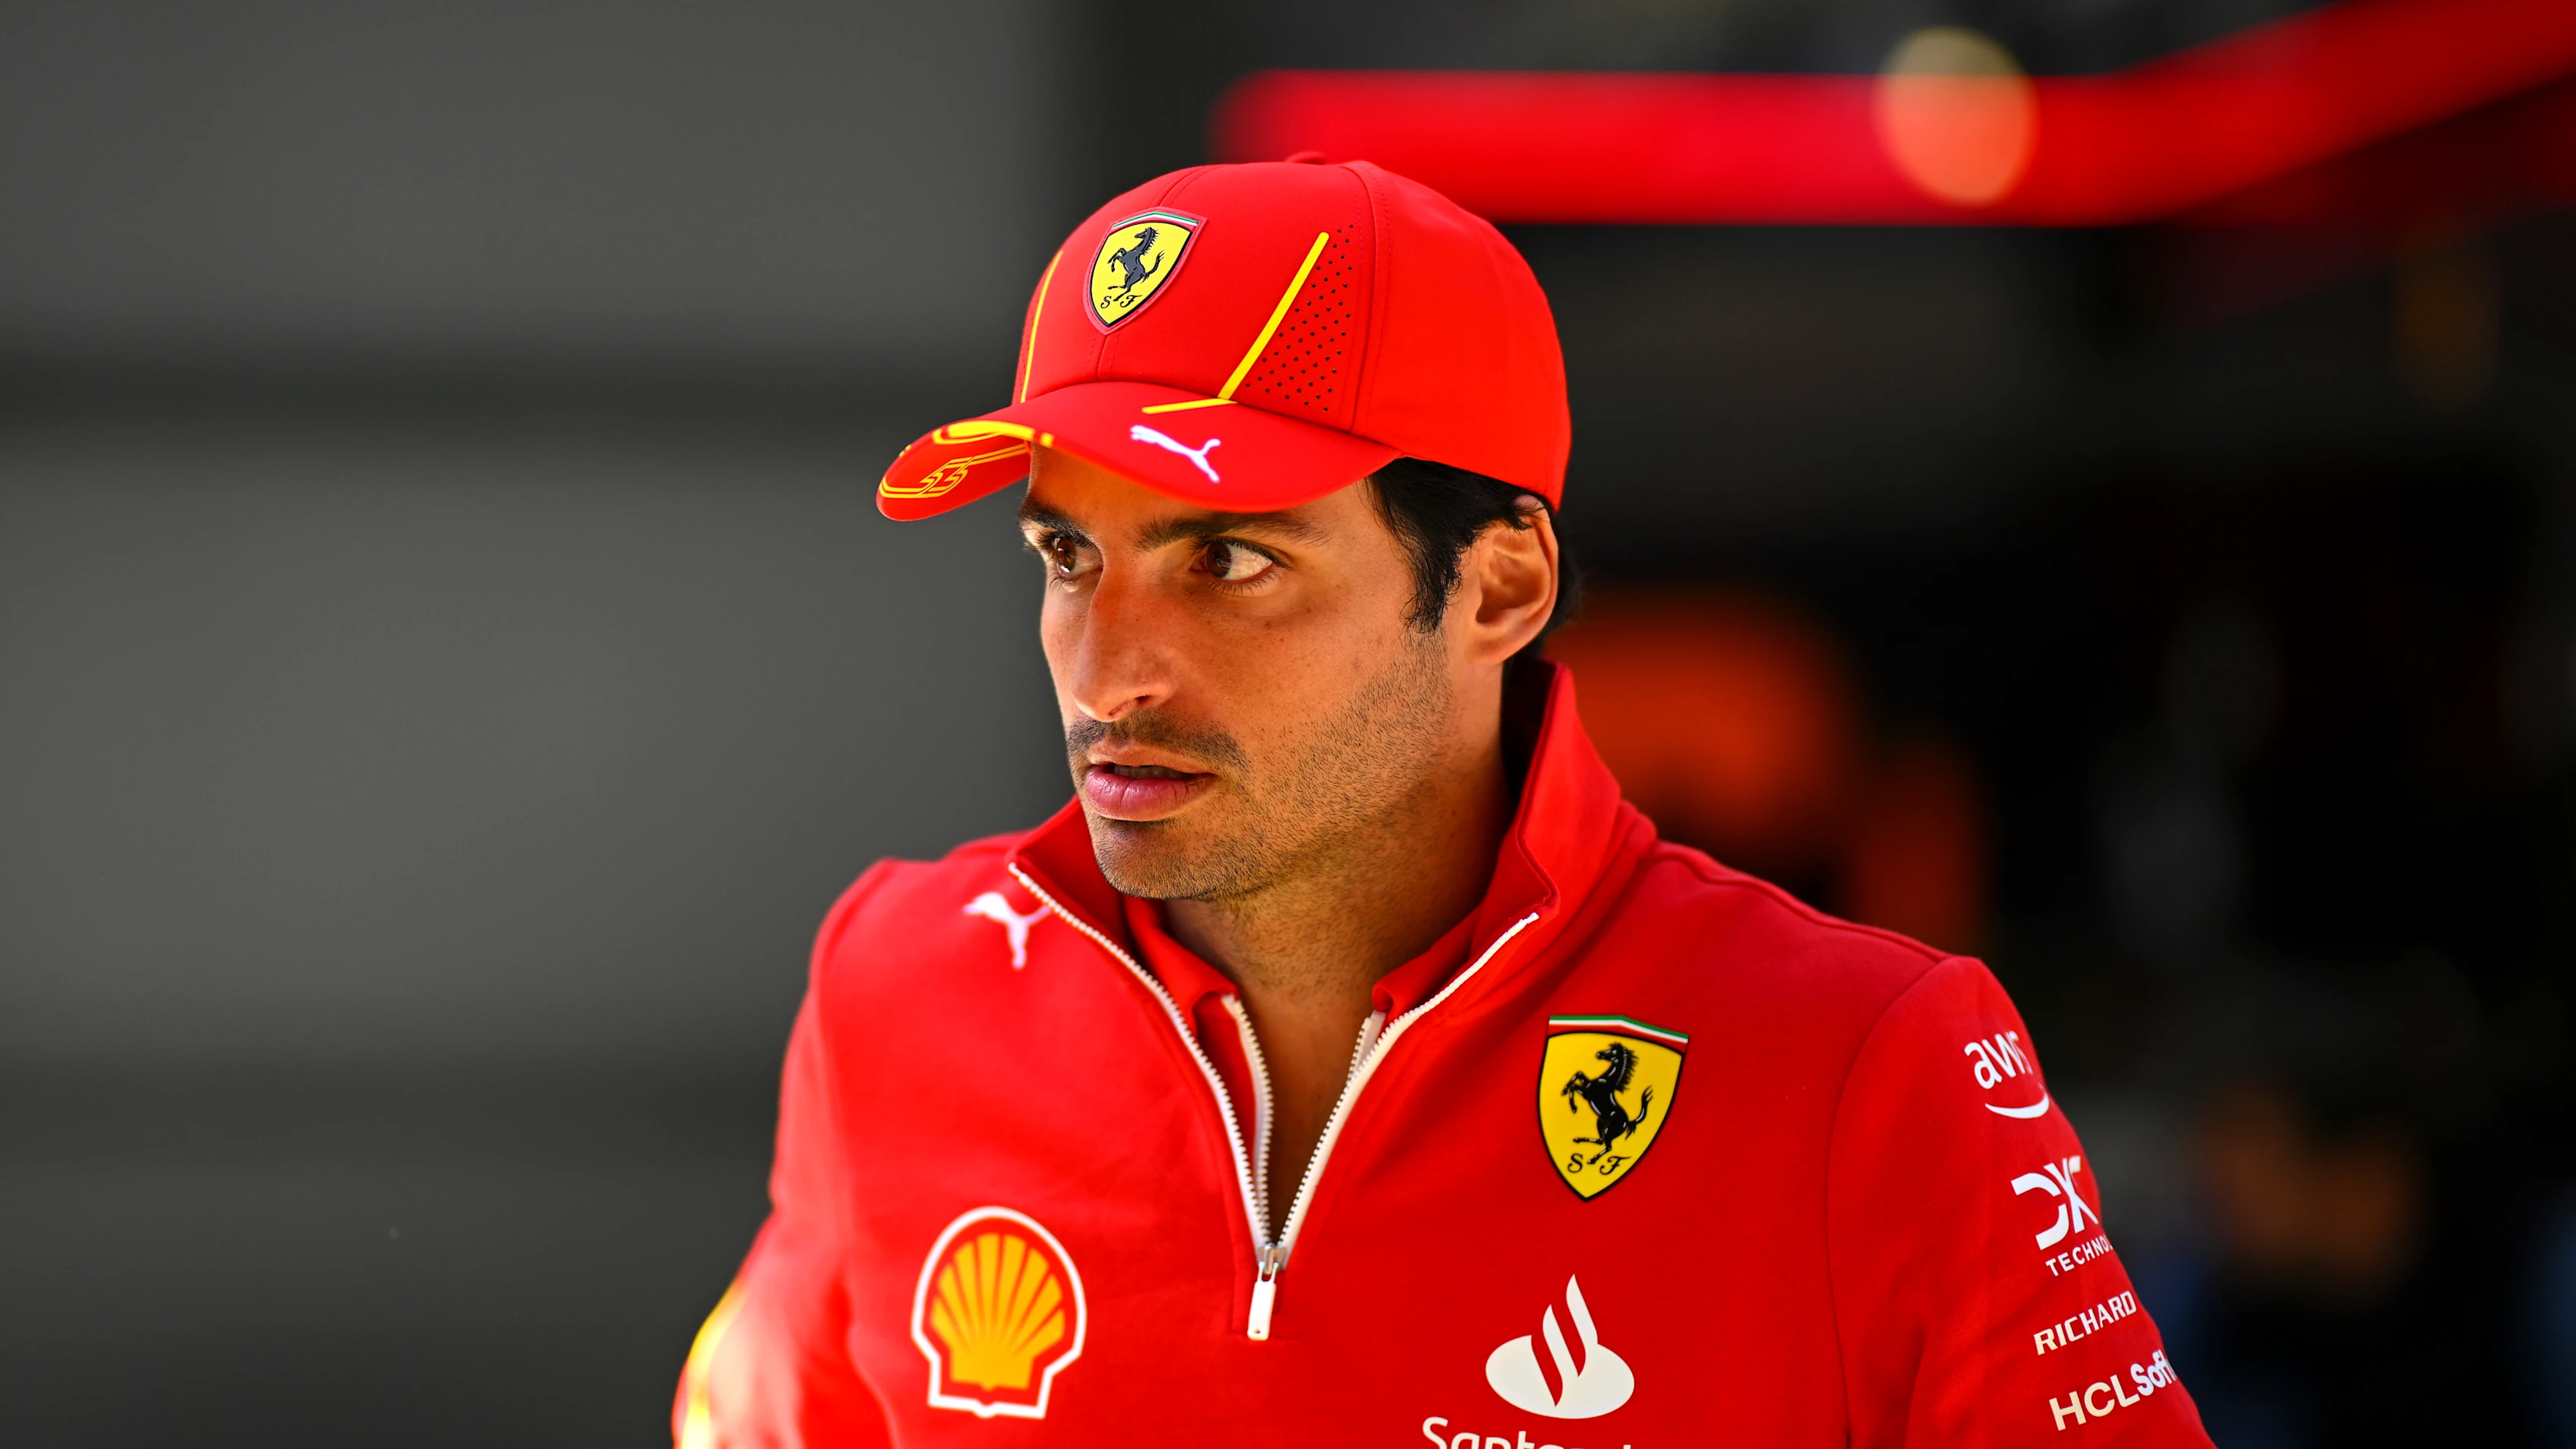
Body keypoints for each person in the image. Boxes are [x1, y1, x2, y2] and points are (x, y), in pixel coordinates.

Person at [672, 157, 2212, 1447]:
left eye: (1228, 559)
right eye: (1070, 558)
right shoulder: (898, 987)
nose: (1110, 667)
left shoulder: (1870, 1068)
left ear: (1499, 587)